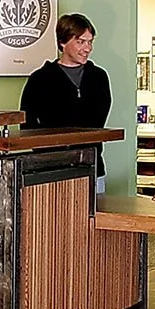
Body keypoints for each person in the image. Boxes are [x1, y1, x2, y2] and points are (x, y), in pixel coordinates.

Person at [19, 13, 113, 191]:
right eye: (80, 42)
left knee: (93, 218)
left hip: (91, 169)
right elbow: (27, 126)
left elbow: (97, 123)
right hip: (50, 172)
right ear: (63, 42)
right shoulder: (40, 79)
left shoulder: (98, 78)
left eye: (90, 42)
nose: (87, 48)